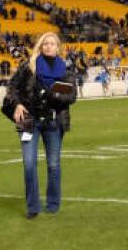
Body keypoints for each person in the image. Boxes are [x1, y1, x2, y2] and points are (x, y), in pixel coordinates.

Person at [5, 32, 76, 219]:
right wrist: (18, 103)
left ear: (58, 47)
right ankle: (33, 207)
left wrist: (51, 92)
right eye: (45, 43)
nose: (49, 46)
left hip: (53, 121)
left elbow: (71, 96)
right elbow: (12, 87)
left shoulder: (64, 70)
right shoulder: (29, 66)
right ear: (41, 46)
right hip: (28, 119)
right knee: (29, 163)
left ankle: (53, 203)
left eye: (52, 43)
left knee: (53, 165)